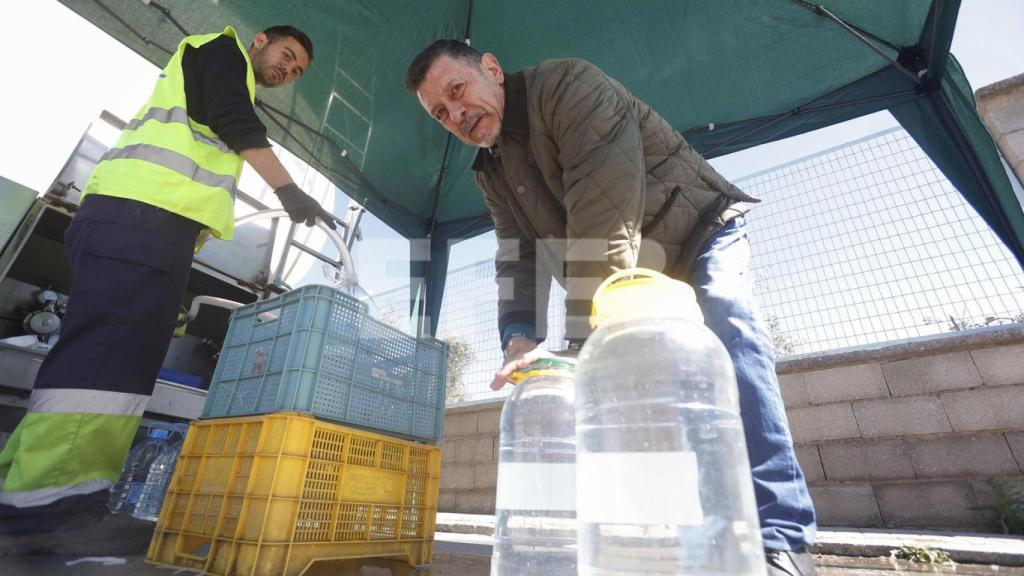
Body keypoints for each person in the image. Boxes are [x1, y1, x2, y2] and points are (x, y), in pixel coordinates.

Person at [407, 39, 817, 576]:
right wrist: (519, 338)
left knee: (727, 326)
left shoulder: (568, 87)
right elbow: (516, 255)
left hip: (695, 233)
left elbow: (603, 209)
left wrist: (582, 342)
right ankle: (680, 536)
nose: (456, 114)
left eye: (457, 92)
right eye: (441, 113)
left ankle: (779, 537)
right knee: (643, 389)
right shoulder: (491, 170)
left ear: (491, 69)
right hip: (618, 271)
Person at [0, 25, 334, 556]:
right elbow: (234, 119)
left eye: (293, 73)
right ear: (260, 40)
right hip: (142, 218)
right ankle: (54, 510)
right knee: (109, 364)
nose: (285, 72)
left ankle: (25, 493)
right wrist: (288, 190)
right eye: (286, 57)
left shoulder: (218, 73)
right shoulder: (221, 52)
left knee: (100, 358)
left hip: (141, 223)